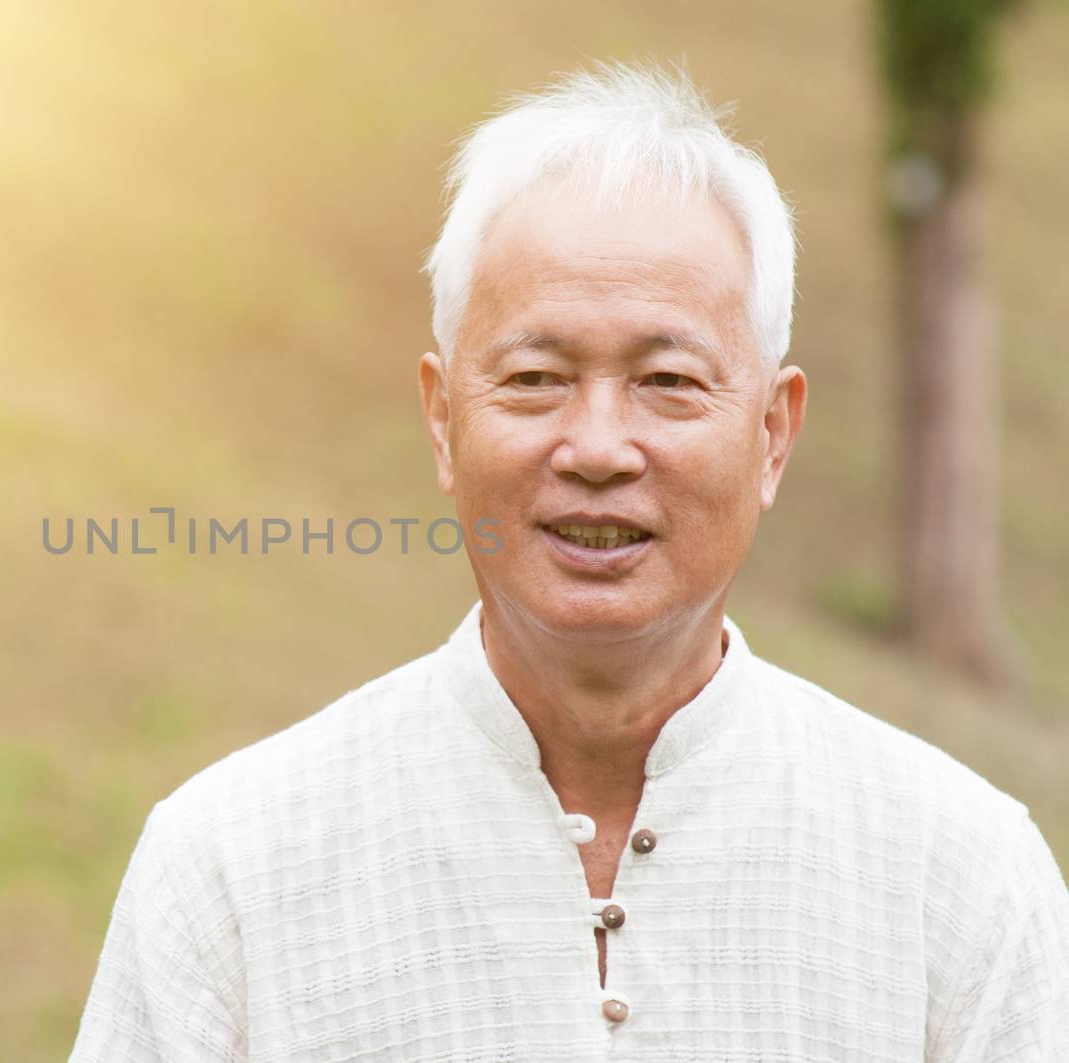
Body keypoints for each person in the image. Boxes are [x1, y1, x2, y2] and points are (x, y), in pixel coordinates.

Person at [67, 62, 1069, 1061]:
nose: (596, 447)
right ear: (442, 420)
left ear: (771, 432)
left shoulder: (963, 880)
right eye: (536, 377)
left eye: (667, 379)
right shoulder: (231, 868)